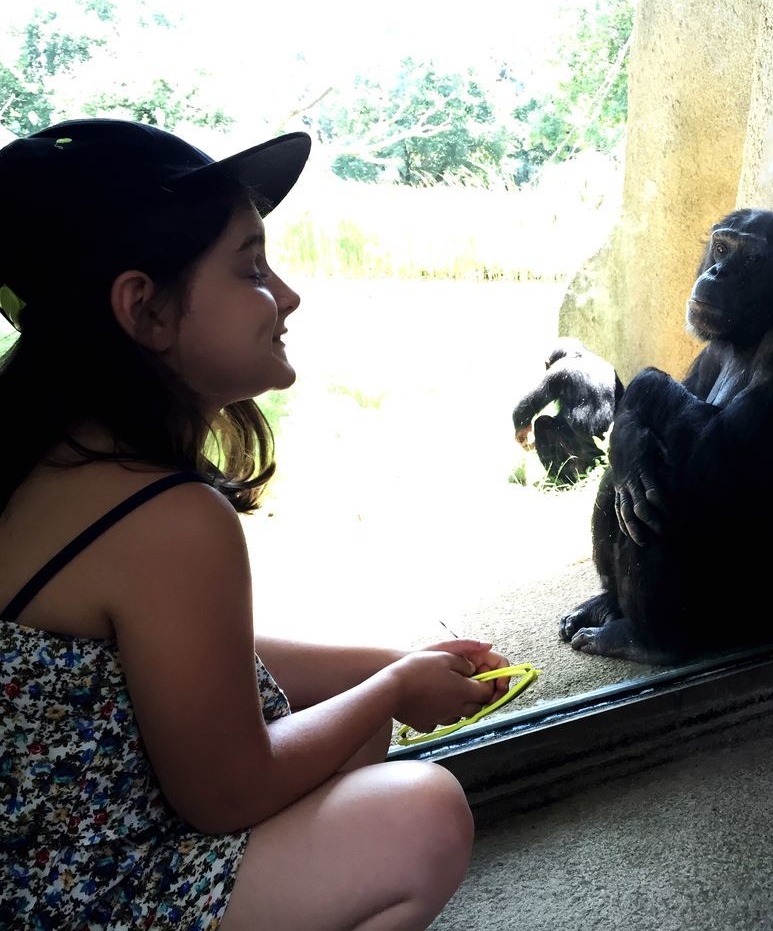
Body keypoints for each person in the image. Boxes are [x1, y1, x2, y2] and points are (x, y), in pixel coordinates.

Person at [0, 119, 511, 930]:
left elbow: (190, 658)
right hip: (79, 893)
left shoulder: (52, 462)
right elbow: (226, 794)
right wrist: (390, 690)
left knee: (346, 737)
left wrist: (389, 665)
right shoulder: (163, 517)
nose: (289, 294)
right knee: (420, 813)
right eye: (251, 267)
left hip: (34, 862)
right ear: (146, 309)